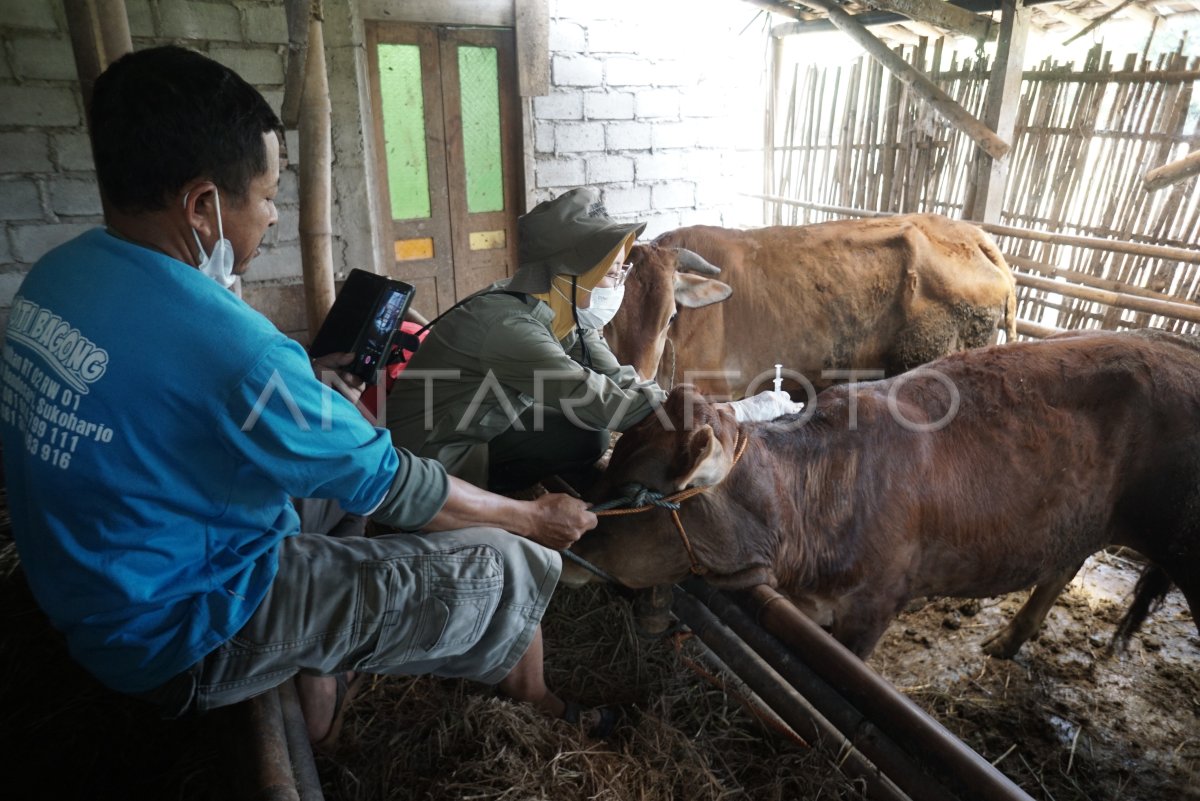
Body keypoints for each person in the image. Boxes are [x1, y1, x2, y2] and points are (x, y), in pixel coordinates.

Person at [0, 46, 609, 745]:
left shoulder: (55, 277)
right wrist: (531, 517)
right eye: (267, 196)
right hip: (180, 634)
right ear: (203, 207)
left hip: (96, 582)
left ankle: (318, 668)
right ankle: (537, 703)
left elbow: (161, 399)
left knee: (328, 479)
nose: (274, 217)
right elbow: (395, 483)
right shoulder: (236, 347)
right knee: (510, 565)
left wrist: (304, 379)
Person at [385, 186, 803, 494]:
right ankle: (486, 504)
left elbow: (617, 377)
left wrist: (683, 407)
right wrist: (737, 410)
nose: (619, 283)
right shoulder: (510, 327)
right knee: (589, 423)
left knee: (586, 437)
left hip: (477, 423)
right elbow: (594, 396)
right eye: (613, 273)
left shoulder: (561, 311)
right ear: (570, 273)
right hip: (428, 453)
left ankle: (512, 482)